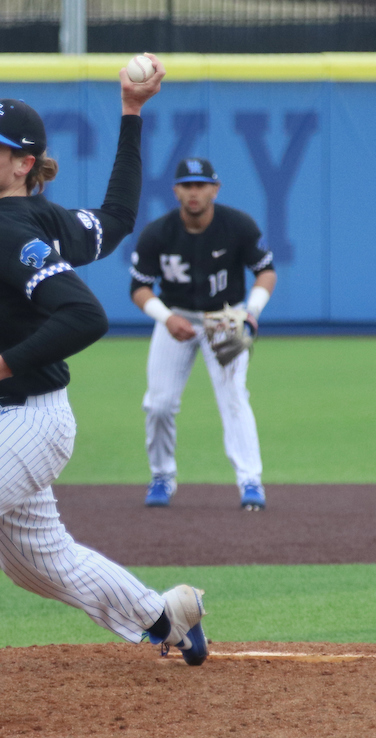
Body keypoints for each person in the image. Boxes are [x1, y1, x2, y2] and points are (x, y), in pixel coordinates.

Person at [0, 55, 209, 736]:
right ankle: (166, 614)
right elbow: (114, 217)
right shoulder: (37, 220)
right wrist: (132, 116)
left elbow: (85, 316)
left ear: (23, 162)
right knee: (39, 565)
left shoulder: (11, 234)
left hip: (24, 423)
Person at [129, 157, 277, 510]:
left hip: (223, 319)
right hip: (176, 316)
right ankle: (162, 475)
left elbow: (266, 271)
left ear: (215, 188)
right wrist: (166, 318)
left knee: (234, 398)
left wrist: (251, 312)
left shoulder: (237, 225)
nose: (194, 192)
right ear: (176, 190)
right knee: (159, 404)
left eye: (201, 185)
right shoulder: (158, 232)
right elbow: (139, 288)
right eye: (187, 185)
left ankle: (250, 481)